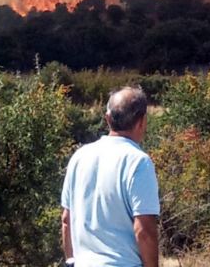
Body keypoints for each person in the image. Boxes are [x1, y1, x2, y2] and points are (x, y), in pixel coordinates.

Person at [61, 86, 160, 267]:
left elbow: (67, 220)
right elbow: (144, 230)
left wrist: (71, 261)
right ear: (142, 121)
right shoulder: (138, 162)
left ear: (108, 119)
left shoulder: (79, 157)